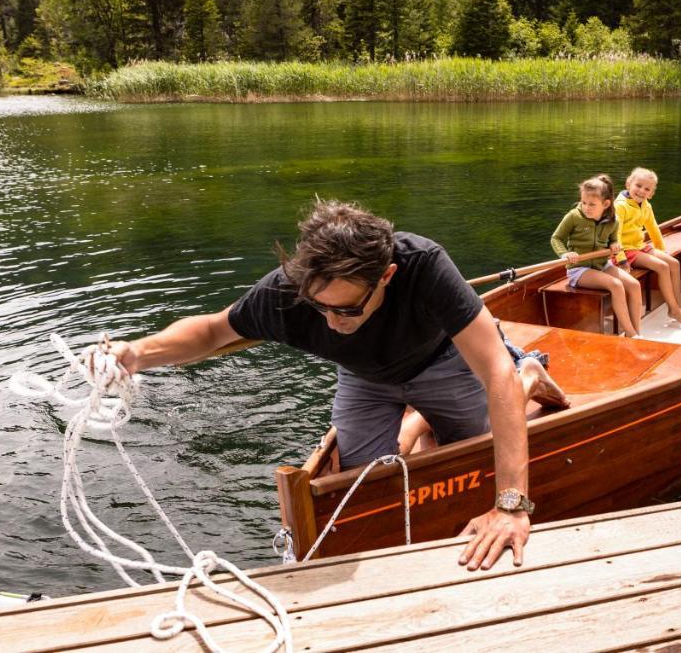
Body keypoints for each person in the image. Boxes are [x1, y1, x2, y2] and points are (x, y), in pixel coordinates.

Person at [101, 200, 544, 571]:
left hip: (444, 363)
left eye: (346, 311)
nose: (331, 322)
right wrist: (137, 354)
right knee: (358, 486)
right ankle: (416, 421)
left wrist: (510, 506)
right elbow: (214, 331)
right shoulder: (289, 290)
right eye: (318, 308)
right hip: (364, 378)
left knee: (468, 459)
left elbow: (493, 373)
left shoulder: (425, 266)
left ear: (385, 277)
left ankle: (530, 375)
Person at [550, 174, 645, 339]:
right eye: (584, 202)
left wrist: (614, 246)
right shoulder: (574, 216)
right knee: (616, 285)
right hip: (579, 269)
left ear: (606, 204)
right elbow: (556, 238)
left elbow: (614, 240)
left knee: (634, 285)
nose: (586, 207)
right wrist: (565, 254)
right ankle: (630, 334)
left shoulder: (613, 221)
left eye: (592, 204)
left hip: (602, 265)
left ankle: (636, 332)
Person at [616, 167, 681, 328]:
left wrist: (660, 249)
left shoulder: (646, 205)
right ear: (628, 184)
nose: (641, 191)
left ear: (651, 193)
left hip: (639, 246)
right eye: (638, 186)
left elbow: (653, 228)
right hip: (624, 250)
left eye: (647, 189)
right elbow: (615, 235)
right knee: (661, 266)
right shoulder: (620, 206)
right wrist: (621, 259)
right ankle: (673, 309)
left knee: (673, 263)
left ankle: (678, 307)